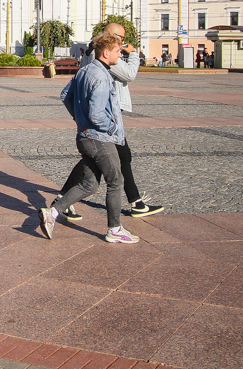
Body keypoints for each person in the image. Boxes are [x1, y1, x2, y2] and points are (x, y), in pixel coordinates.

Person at [51, 22, 164, 221]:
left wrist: (79, 116)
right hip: (106, 118)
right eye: (119, 41)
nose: (122, 47)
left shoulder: (93, 58)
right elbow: (129, 74)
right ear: (110, 39)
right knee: (112, 170)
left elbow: (66, 94)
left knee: (94, 162)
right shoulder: (103, 61)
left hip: (101, 119)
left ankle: (61, 201)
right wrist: (134, 53)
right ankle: (120, 219)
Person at [41, 32, 139, 244]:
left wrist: (78, 118)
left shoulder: (84, 70)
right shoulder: (102, 76)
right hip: (99, 139)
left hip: (85, 136)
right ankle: (115, 229)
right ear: (106, 53)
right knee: (116, 180)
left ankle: (53, 213)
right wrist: (111, 126)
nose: (120, 56)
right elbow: (96, 114)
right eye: (117, 52)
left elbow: (65, 95)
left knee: (89, 185)